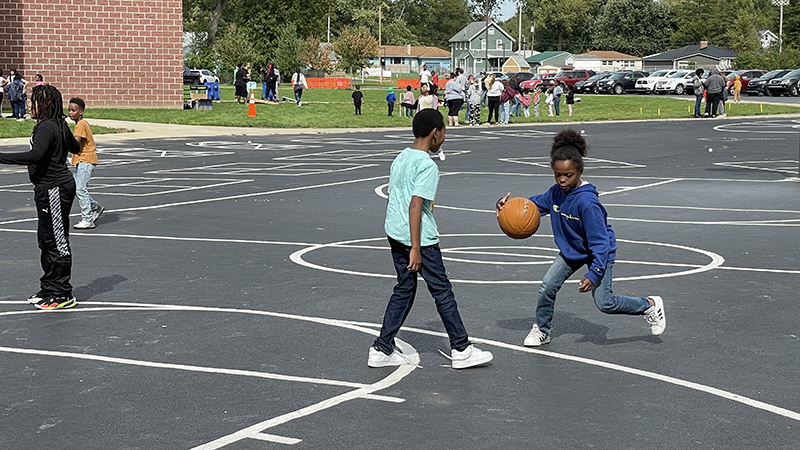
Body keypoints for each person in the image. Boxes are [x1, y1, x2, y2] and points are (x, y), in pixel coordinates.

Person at [495, 129, 666, 347]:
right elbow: (530, 207)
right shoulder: (556, 192)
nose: (563, 180)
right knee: (547, 286)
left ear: (580, 172)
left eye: (568, 175)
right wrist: (506, 207)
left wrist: (594, 273)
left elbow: (600, 243)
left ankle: (648, 305)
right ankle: (542, 329)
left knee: (605, 303)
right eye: (558, 175)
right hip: (572, 252)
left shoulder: (587, 203)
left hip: (599, 253)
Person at [368, 108, 493, 370]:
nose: (445, 137)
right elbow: (416, 205)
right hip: (419, 239)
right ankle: (461, 348)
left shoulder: (401, 157)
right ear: (435, 133)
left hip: (395, 231)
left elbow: (396, 198)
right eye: (444, 131)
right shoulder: (426, 165)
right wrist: (415, 247)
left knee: (404, 288)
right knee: (442, 291)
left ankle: (381, 348)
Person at [0, 84, 81, 310]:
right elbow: (75, 146)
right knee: (45, 240)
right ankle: (49, 286)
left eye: (32, 101)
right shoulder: (58, 125)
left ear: (43, 104)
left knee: (57, 242)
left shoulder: (47, 127)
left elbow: (35, 155)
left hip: (54, 189)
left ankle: (62, 292)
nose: (29, 105)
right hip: (48, 188)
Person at [68, 97, 104, 229]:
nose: (70, 113)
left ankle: (87, 219)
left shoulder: (81, 124)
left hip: (86, 160)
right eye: (69, 110)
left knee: (80, 189)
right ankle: (95, 207)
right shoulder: (79, 124)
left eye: (73, 110)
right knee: (77, 188)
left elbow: (76, 144)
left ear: (81, 111)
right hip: (81, 160)